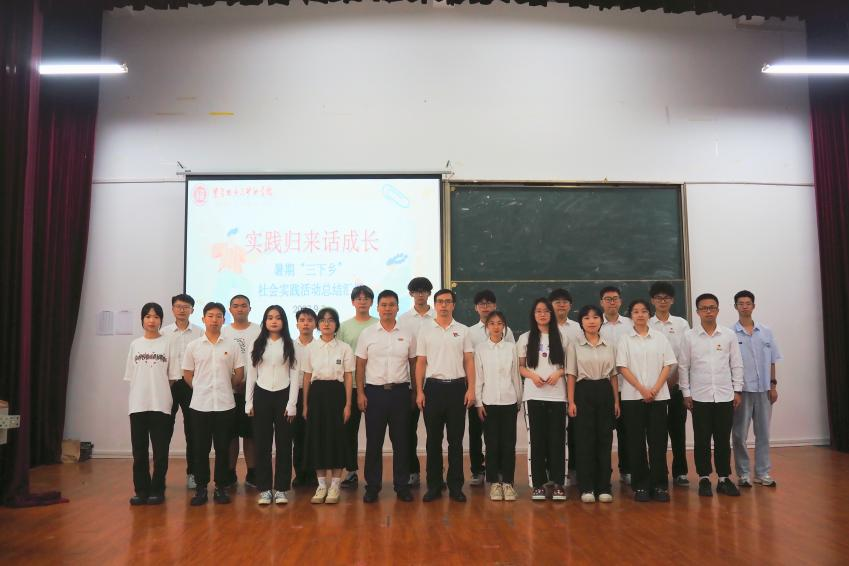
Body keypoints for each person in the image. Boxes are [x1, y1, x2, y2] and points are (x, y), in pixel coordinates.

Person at [679, 293, 744, 497]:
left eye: (712, 307)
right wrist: (686, 393)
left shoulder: (728, 335)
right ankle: (704, 478)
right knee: (702, 439)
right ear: (697, 311)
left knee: (723, 439)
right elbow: (683, 366)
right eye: (704, 308)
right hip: (699, 396)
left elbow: (736, 363)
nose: (708, 311)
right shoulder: (689, 336)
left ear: (718, 310)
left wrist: (737, 390)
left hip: (725, 395)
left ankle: (724, 478)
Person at [356, 290, 417, 503]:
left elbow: (413, 364)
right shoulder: (368, 334)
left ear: (398, 307)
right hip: (374, 393)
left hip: (401, 393)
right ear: (378, 308)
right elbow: (360, 365)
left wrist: (415, 391)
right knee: (374, 442)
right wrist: (360, 393)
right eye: (384, 305)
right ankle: (372, 487)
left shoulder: (408, 333)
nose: (388, 308)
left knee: (401, 442)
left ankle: (402, 486)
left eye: (392, 305)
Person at [415, 288, 476, 503]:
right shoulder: (425, 330)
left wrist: (471, 388)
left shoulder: (463, 330)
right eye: (440, 301)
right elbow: (421, 362)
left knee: (455, 441)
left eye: (448, 301)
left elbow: (469, 361)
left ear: (453, 305)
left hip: (457, 389)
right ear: (435, 304)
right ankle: (434, 485)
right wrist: (419, 390)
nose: (443, 305)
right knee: (433, 441)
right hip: (433, 389)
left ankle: (456, 486)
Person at [182, 302, 245, 506]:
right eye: (210, 316)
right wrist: (200, 387)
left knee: (223, 449)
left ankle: (221, 487)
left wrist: (225, 386)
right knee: (200, 449)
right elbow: (187, 373)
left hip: (225, 405)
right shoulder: (193, 346)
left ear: (224, 319)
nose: (214, 319)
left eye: (218, 316)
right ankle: (201, 489)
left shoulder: (232, 345)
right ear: (203, 319)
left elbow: (239, 373)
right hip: (200, 405)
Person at [616, 299, 676, 503]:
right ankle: (640, 485)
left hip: (658, 397)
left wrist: (655, 388)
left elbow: (668, 364)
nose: (640, 314)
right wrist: (642, 389)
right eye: (635, 311)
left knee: (658, 442)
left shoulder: (660, 337)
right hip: (633, 397)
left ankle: (660, 485)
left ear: (649, 314)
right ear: (630, 316)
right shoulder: (625, 339)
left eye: (643, 311)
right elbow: (622, 367)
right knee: (636, 442)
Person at [125, 302, 179, 505]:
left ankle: (157, 489)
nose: (152, 320)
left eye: (156, 317)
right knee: (139, 452)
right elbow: (131, 375)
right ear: (142, 320)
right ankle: (141, 490)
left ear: (161, 320)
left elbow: (172, 377)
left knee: (160, 452)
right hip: (137, 404)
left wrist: (159, 390)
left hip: (161, 405)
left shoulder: (168, 343)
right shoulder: (135, 345)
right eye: (148, 316)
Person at [246, 305, 298, 505]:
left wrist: (292, 404)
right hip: (262, 395)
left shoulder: (290, 344)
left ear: (283, 321)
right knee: (262, 444)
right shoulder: (257, 344)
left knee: (284, 445)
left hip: (284, 396)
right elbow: (252, 374)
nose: (274, 321)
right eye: (270, 317)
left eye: (278, 317)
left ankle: (282, 489)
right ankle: (265, 489)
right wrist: (248, 402)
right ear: (265, 321)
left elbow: (295, 376)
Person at [566, 305, 619, 503]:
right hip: (583, 391)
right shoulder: (574, 345)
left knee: (604, 440)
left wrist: (616, 400)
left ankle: (604, 486)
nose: (591, 321)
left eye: (596, 317)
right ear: (581, 322)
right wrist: (571, 401)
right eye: (587, 318)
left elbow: (613, 375)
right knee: (584, 441)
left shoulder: (610, 345)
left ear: (601, 321)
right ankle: (586, 487)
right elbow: (571, 375)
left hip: (605, 391)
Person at [302, 307, 354, 504]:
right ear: (317, 324)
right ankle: (322, 485)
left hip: (337, 394)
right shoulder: (310, 348)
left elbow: (348, 377)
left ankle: (335, 486)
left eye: (331, 320)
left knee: (337, 438)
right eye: (322, 320)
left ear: (336, 325)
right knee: (318, 437)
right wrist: (305, 404)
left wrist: (348, 404)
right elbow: (307, 377)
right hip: (316, 395)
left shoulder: (344, 348)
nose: (326, 323)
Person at [518, 298, 568, 502]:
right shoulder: (525, 338)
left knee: (558, 440)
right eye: (538, 311)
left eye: (546, 311)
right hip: (533, 395)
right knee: (536, 441)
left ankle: (558, 484)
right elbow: (521, 367)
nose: (542, 314)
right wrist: (532, 376)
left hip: (558, 396)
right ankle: (538, 484)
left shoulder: (562, 337)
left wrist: (558, 373)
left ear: (551, 314)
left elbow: (569, 365)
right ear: (533, 314)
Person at [732, 290, 782, 488]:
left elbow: (772, 360)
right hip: (742, 390)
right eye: (741, 303)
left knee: (763, 434)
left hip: (764, 390)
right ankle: (743, 473)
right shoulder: (730, 333)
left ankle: (762, 473)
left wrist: (773, 385)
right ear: (735, 307)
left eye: (748, 303)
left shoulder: (766, 332)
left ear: (754, 306)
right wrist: (734, 391)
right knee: (739, 435)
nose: (745, 306)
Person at [467, 289, 516, 487]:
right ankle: (478, 470)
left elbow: (512, 365)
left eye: (489, 303)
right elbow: (471, 364)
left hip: (504, 395)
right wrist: (474, 394)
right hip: (478, 391)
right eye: (481, 303)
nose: (485, 307)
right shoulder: (470, 332)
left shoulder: (508, 333)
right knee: (477, 434)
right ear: (475, 307)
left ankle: (502, 473)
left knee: (503, 438)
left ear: (495, 305)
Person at [474, 311, 521, 502]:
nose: (496, 327)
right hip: (489, 402)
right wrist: (478, 402)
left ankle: (508, 483)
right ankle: (494, 482)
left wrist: (519, 399)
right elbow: (479, 377)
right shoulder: (480, 349)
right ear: (487, 327)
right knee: (491, 443)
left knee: (509, 444)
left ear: (505, 327)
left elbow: (515, 375)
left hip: (509, 401)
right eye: (492, 323)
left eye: (500, 323)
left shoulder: (511, 348)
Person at [649, 282, 691, 487]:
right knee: (656, 432)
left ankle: (680, 472)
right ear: (652, 301)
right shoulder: (647, 323)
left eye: (666, 297)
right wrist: (658, 382)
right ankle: (659, 471)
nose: (662, 301)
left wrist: (676, 379)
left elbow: (686, 355)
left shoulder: (682, 324)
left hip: (676, 386)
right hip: (654, 387)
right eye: (658, 297)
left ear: (673, 300)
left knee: (678, 431)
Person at [336, 285, 378, 489]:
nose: (362, 301)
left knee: (375, 432)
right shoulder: (344, 327)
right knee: (348, 431)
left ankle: (374, 475)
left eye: (366, 298)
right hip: (349, 386)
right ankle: (351, 471)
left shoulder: (378, 324)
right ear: (353, 302)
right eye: (358, 298)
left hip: (374, 384)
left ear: (372, 302)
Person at [162, 293, 203, 490]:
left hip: (191, 385)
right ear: (172, 309)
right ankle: (160, 475)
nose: (182, 310)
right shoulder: (163, 333)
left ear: (192, 310)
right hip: (168, 385)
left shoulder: (200, 332)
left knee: (193, 432)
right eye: (178, 306)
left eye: (186, 307)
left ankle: (193, 474)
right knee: (164, 431)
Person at [221, 295, 261, 489]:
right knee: (230, 435)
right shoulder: (223, 331)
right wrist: (233, 380)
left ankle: (252, 473)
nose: (240, 309)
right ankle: (229, 473)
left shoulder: (259, 330)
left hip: (253, 390)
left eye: (244, 305)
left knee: (250, 434)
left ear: (250, 309)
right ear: (230, 309)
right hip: (227, 390)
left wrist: (248, 382)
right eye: (235, 306)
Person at [398, 276, 434, 488]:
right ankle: (413, 471)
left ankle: (435, 475)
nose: (420, 294)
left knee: (434, 433)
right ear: (411, 294)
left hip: (436, 382)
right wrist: (413, 387)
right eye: (416, 291)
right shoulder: (403, 320)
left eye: (424, 290)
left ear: (429, 293)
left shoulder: (439, 316)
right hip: (410, 384)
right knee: (408, 431)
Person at [599, 286, 633, 486]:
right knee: (603, 433)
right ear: (601, 302)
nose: (611, 302)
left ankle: (626, 470)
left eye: (615, 298)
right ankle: (603, 473)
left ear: (620, 301)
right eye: (607, 299)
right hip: (602, 388)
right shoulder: (594, 323)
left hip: (627, 387)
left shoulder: (630, 324)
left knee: (627, 432)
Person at [549, 288, 581, 483]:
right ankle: (553, 471)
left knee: (575, 431)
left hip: (574, 386)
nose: (561, 305)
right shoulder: (544, 327)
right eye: (557, 301)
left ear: (570, 305)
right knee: (553, 432)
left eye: (565, 301)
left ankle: (574, 468)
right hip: (550, 387)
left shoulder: (577, 328)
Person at [291, 307, 317, 487]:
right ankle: (299, 473)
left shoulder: (320, 346)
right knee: (297, 436)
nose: (305, 323)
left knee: (314, 436)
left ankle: (314, 474)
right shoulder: (290, 346)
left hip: (315, 394)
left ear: (315, 324)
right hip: (295, 393)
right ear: (297, 324)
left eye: (309, 320)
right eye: (302, 320)